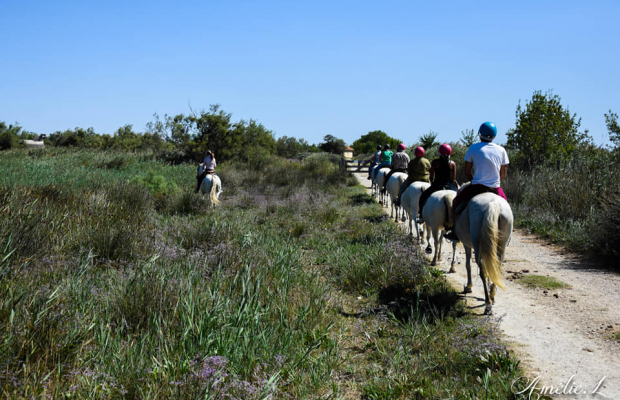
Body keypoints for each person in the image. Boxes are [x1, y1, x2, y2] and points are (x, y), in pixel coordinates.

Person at [443, 122, 509, 242]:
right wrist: (493, 181)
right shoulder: (501, 150)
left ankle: (454, 231)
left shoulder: (473, 148)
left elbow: (467, 172)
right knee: (506, 207)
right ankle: (507, 236)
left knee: (456, 201)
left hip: (477, 186)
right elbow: (503, 174)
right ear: (494, 135)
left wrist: (474, 180)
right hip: (495, 188)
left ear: (480, 134)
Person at [416, 144, 457, 223]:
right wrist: (450, 184)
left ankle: (421, 216)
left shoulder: (435, 162)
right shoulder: (452, 164)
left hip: (437, 185)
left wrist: (432, 183)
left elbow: (431, 176)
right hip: (448, 185)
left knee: (423, 197)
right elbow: (454, 178)